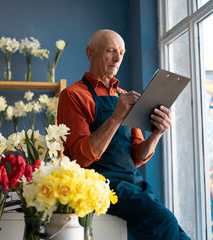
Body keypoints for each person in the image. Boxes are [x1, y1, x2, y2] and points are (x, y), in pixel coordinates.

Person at [57, 29, 190, 239]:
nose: (118, 58)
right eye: (110, 51)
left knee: (182, 236)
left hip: (133, 184)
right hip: (100, 184)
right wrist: (116, 117)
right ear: (90, 53)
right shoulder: (72, 95)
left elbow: (137, 157)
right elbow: (81, 158)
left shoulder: (123, 95)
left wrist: (156, 133)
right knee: (165, 221)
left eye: (122, 52)